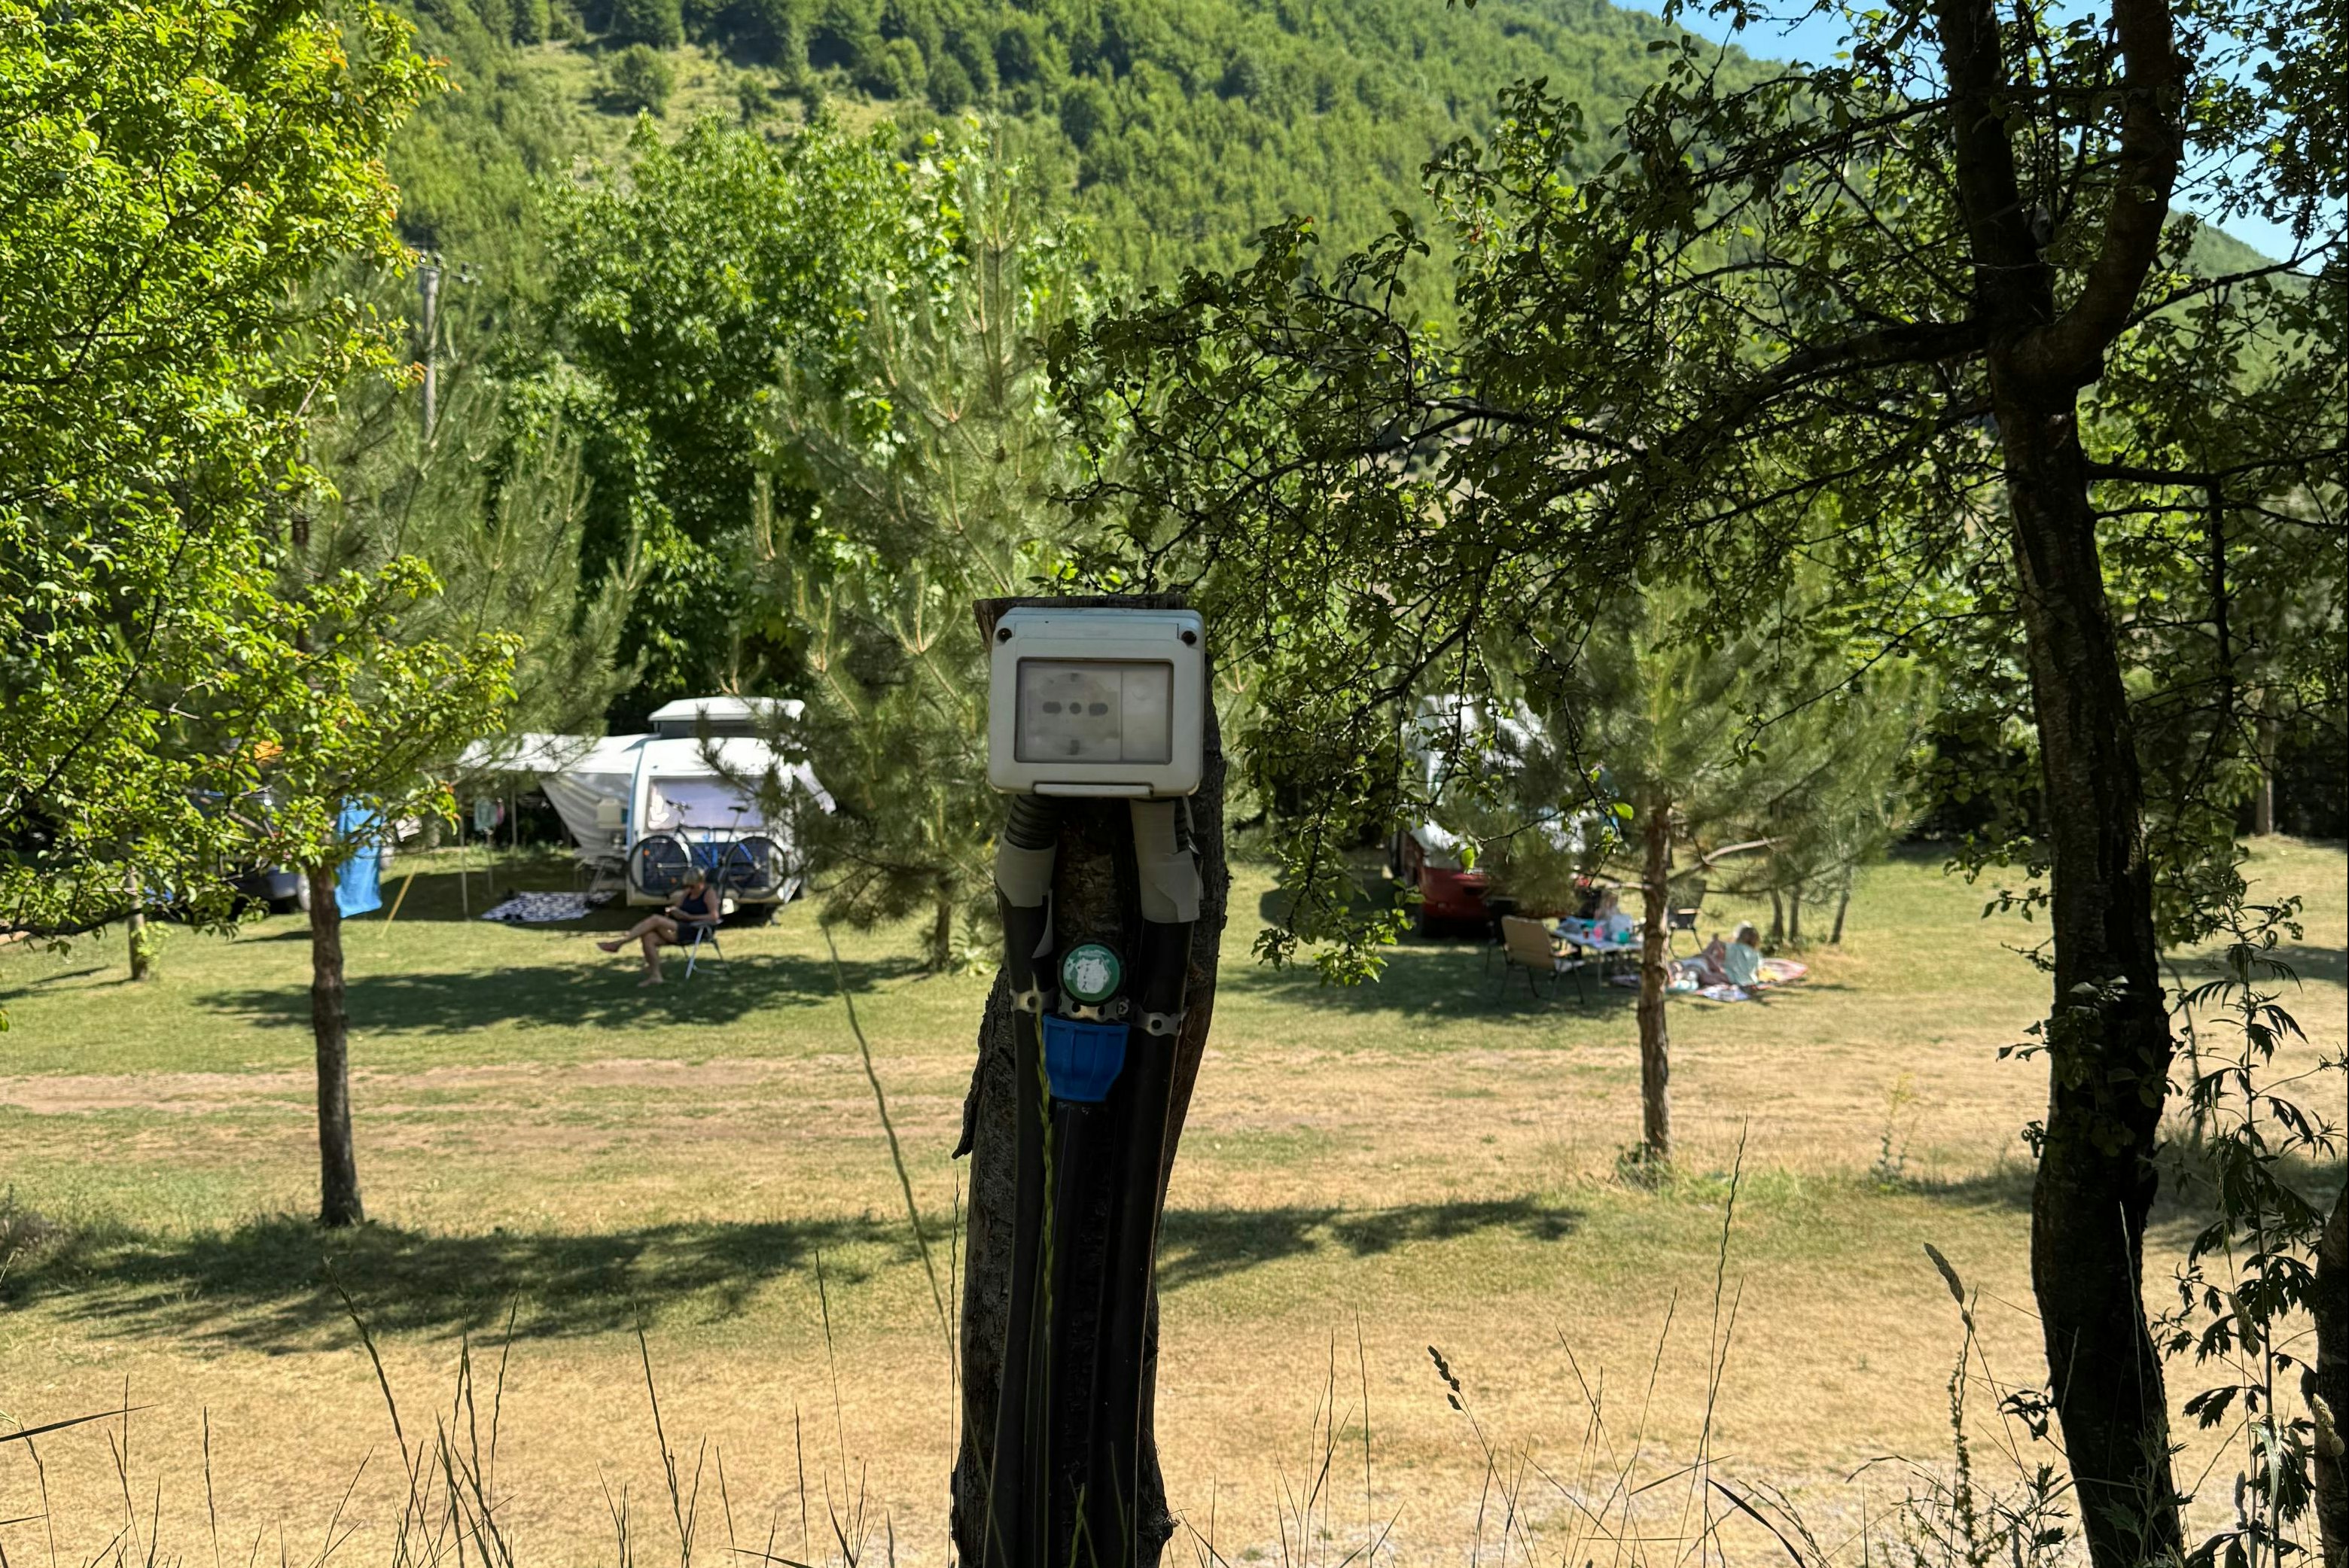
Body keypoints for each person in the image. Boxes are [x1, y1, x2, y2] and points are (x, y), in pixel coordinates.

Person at [598, 868, 721, 986]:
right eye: (687, 886)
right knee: (648, 937)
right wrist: (673, 911)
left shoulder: (709, 893)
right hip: (680, 927)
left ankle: (620, 943)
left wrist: (689, 917)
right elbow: (677, 907)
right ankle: (656, 976)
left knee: (656, 919)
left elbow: (714, 917)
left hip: (695, 929)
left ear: (701, 882)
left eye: (692, 886)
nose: (689, 889)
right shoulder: (687, 893)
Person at [1720, 921, 1763, 988]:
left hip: (1734, 978)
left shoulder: (1731, 948)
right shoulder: (1756, 953)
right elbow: (1757, 971)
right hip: (1751, 980)